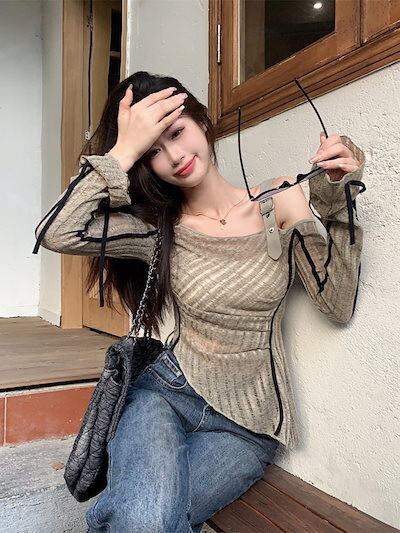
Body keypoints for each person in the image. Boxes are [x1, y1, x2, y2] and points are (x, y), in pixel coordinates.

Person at [33, 71, 366, 532]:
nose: (174, 156)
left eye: (176, 132)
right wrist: (122, 151)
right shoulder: (157, 230)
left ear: (202, 122)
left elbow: (338, 302)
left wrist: (337, 197)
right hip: (165, 393)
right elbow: (56, 232)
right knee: (146, 521)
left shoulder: (278, 202)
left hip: (248, 425)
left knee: (140, 519)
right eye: (152, 151)